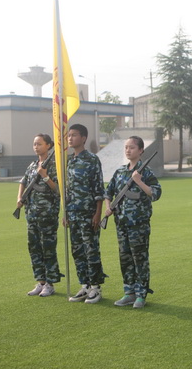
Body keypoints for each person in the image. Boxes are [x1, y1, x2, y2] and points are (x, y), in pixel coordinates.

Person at [105, 136, 162, 309]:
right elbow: (108, 192)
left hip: (139, 224)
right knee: (125, 259)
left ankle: (141, 294)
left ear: (141, 150)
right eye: (126, 147)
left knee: (140, 259)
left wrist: (139, 181)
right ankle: (129, 292)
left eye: (132, 147)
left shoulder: (146, 172)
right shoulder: (120, 172)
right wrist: (108, 208)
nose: (128, 150)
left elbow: (156, 193)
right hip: (121, 223)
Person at [65, 124, 106, 304]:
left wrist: (97, 213)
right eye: (69, 135)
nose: (70, 138)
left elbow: (98, 188)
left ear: (83, 138)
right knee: (77, 251)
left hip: (88, 213)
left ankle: (96, 287)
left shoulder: (92, 160)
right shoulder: (69, 161)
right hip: (73, 213)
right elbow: (68, 190)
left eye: (74, 135)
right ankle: (85, 285)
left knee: (91, 250)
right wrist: (66, 213)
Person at [17, 133, 61, 297]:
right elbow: (23, 182)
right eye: (34, 144)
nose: (36, 147)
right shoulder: (32, 165)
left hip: (47, 215)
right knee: (34, 248)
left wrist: (45, 176)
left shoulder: (54, 165)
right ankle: (41, 281)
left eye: (39, 144)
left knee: (48, 249)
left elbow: (58, 189)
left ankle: (50, 283)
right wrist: (19, 198)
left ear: (48, 145)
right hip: (32, 214)